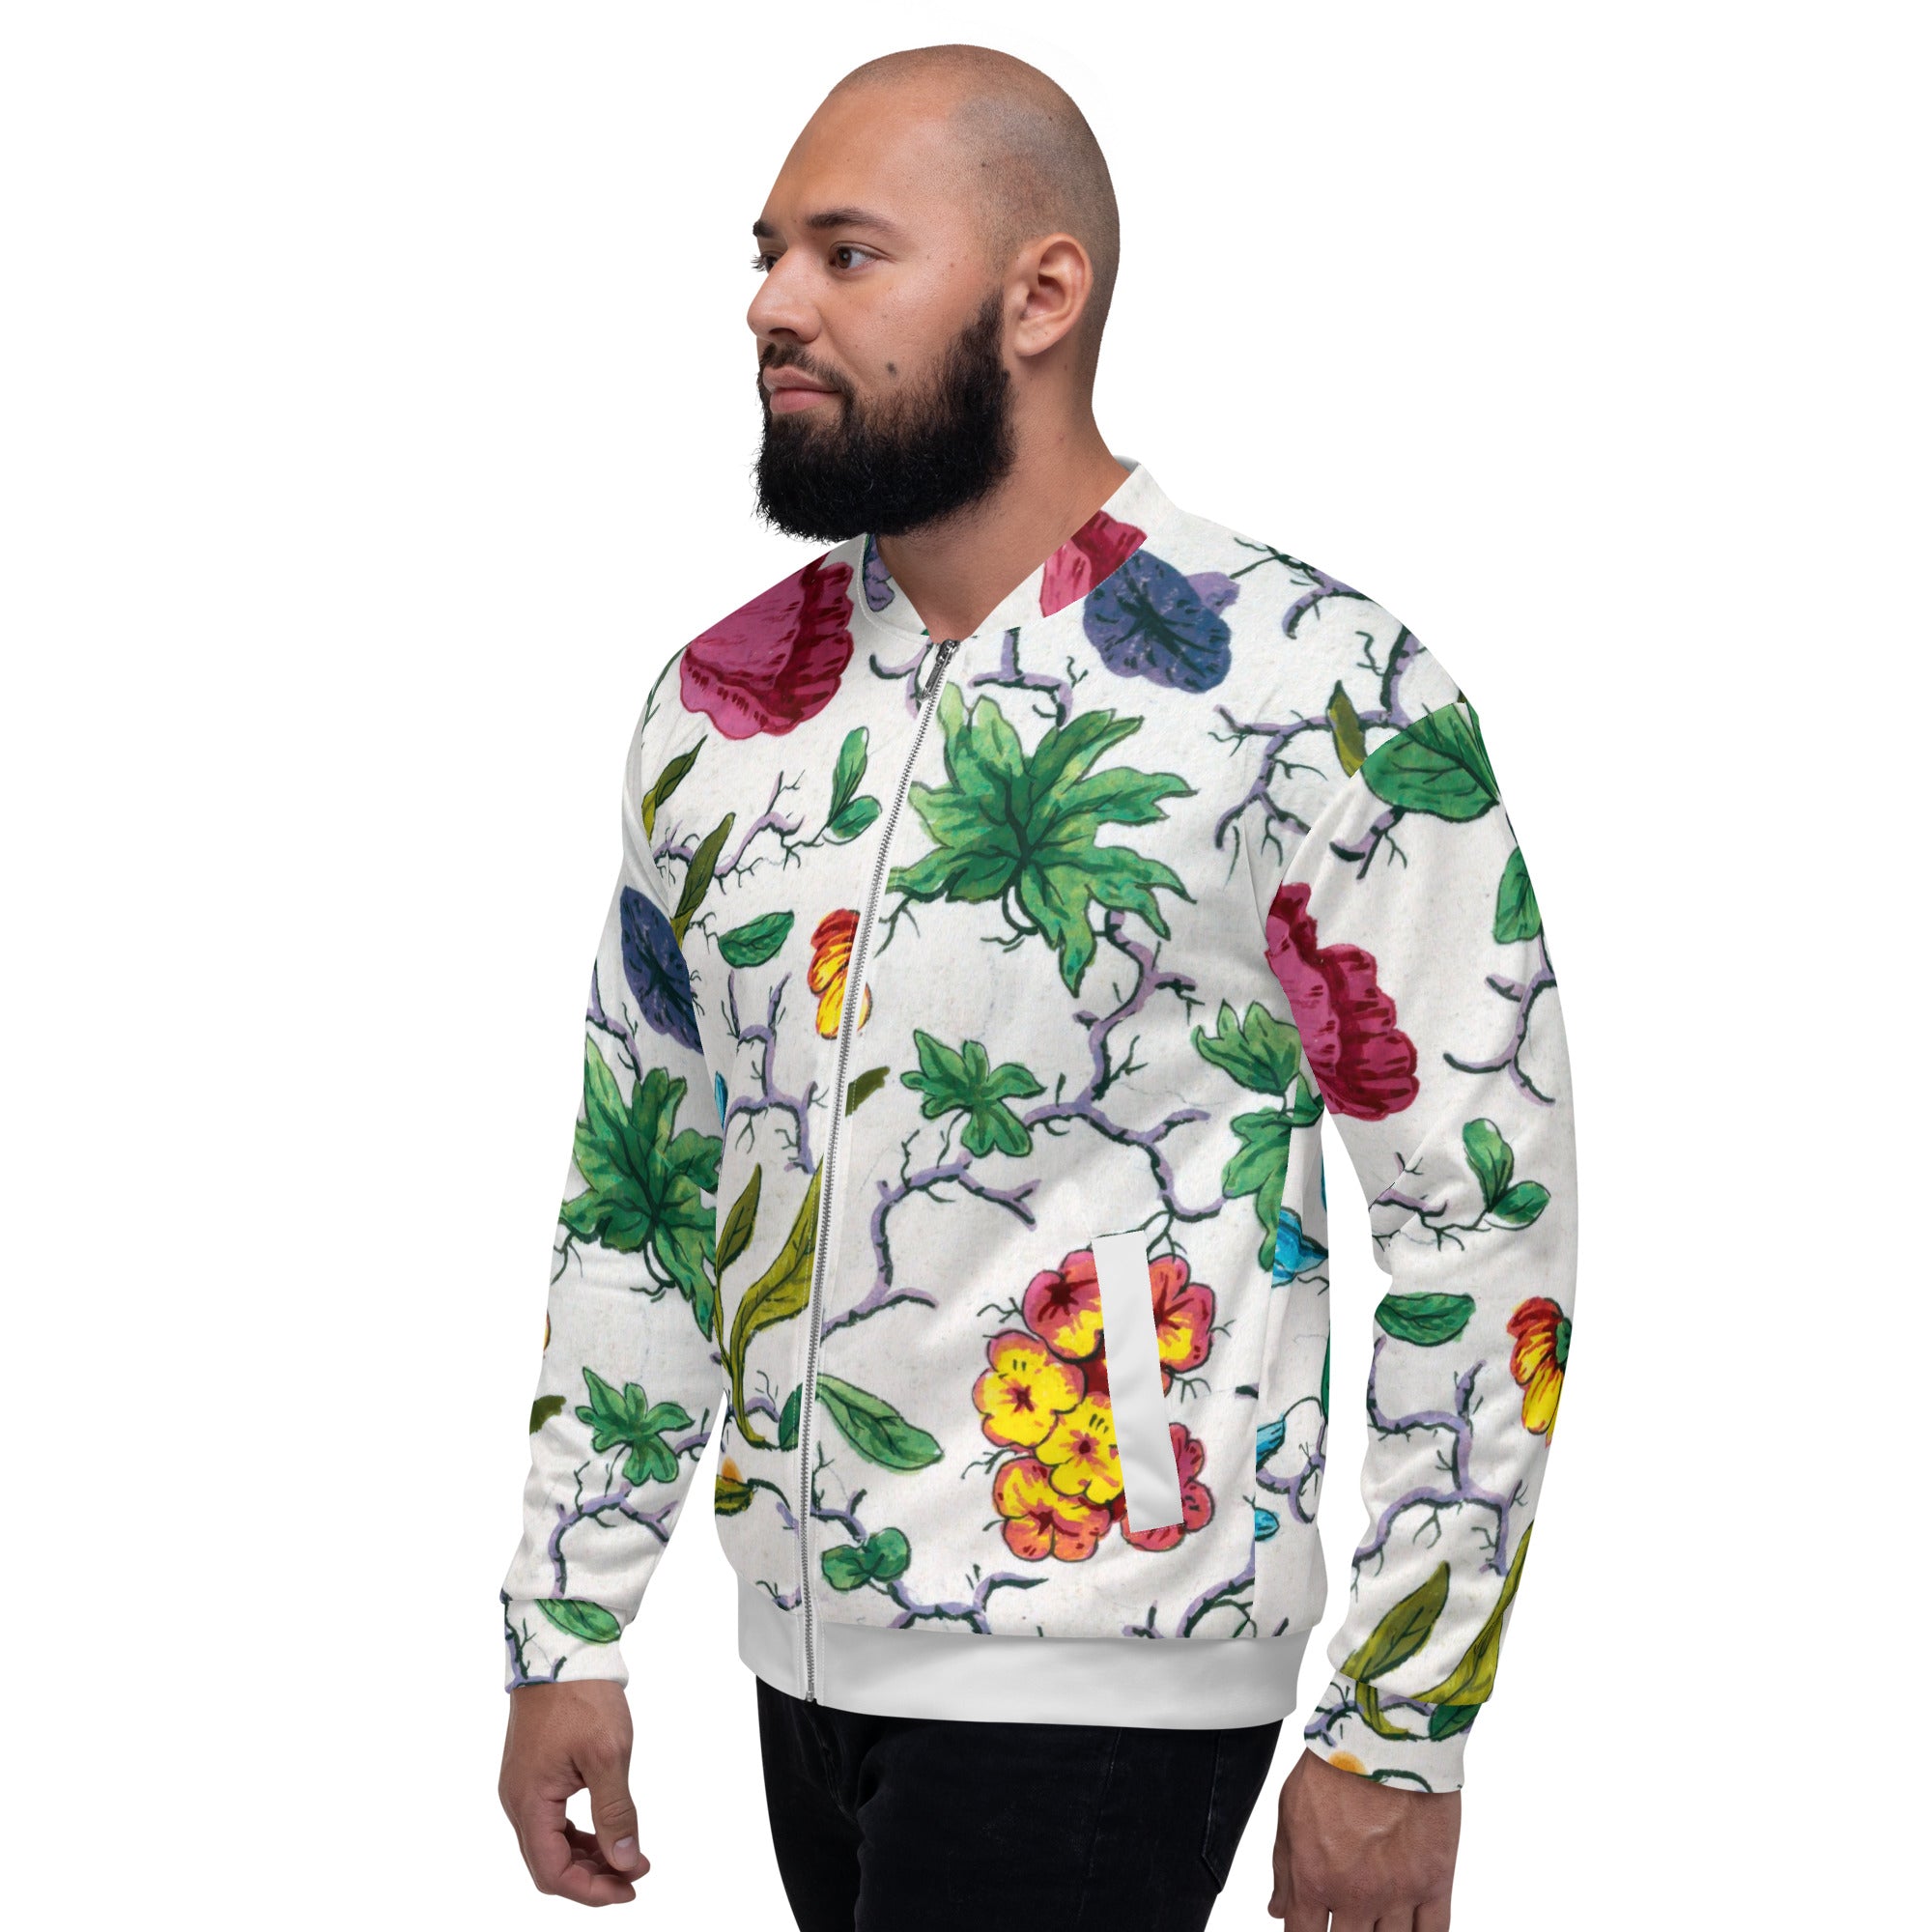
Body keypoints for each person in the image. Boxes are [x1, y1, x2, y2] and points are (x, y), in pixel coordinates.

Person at [497, 42, 1577, 1932]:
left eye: (847, 255)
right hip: (800, 1666)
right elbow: (644, 1180)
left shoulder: (1311, 687)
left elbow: (1479, 1218)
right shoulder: (722, 707)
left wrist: (1401, 1725)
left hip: (1113, 1667)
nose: (771, 305)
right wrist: (567, 1617)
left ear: (1041, 295)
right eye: (768, 254)